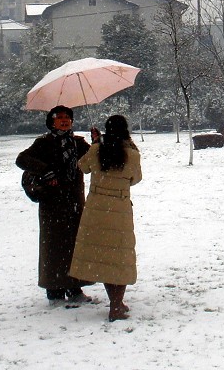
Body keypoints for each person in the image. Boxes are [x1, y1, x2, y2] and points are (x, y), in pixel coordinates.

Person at [16, 105, 99, 305]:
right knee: (53, 246)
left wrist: (97, 143)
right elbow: (22, 159)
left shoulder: (78, 143)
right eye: (59, 117)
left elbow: (94, 162)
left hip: (75, 202)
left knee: (75, 245)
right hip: (52, 204)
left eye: (67, 117)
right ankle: (55, 290)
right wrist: (45, 171)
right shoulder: (44, 143)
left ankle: (74, 286)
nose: (64, 120)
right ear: (51, 122)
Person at [69, 114, 142, 321]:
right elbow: (135, 179)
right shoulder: (132, 155)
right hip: (119, 208)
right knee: (120, 256)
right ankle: (116, 305)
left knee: (105, 257)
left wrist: (95, 143)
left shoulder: (96, 150)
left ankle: (116, 303)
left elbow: (81, 167)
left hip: (96, 208)